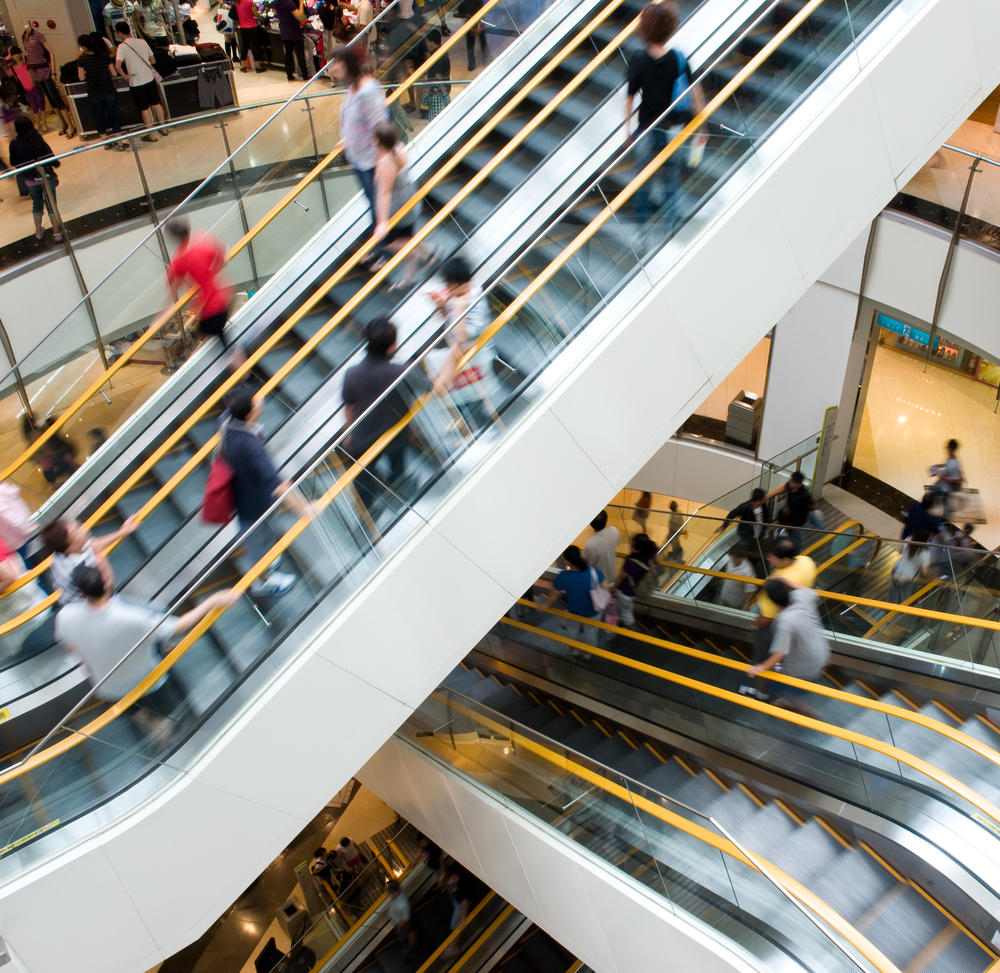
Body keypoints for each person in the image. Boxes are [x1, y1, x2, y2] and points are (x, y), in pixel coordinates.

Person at [54, 564, 238, 711]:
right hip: (147, 681)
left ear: (80, 592)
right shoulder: (134, 618)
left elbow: (71, 649)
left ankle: (152, 726)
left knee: (130, 711)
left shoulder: (65, 616)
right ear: (106, 581)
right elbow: (177, 626)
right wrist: (212, 600)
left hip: (108, 688)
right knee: (167, 709)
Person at [222, 385, 309, 596]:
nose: (261, 400)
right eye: (256, 401)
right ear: (251, 412)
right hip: (252, 504)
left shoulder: (228, 424)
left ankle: (266, 563)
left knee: (263, 535)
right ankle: (262, 580)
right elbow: (277, 483)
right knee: (257, 540)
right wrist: (304, 509)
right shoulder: (249, 446)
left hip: (246, 495)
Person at [624, 2, 704, 226]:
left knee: (643, 186)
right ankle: (669, 229)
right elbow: (696, 94)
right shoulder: (679, 58)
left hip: (647, 132)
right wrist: (701, 125)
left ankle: (642, 235)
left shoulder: (638, 60)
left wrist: (627, 132)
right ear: (670, 27)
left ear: (646, 29)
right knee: (671, 182)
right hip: (672, 132)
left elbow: (629, 98)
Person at [341, 316, 413, 513]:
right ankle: (399, 497)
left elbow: (350, 407)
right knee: (398, 467)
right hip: (394, 434)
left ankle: (368, 512)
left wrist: (349, 433)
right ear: (392, 345)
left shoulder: (352, 373)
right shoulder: (401, 371)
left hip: (364, 438)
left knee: (364, 475)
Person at [740, 538, 815, 700]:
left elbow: (765, 619)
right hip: (798, 627)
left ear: (786, 560)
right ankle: (778, 667)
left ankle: (762, 693)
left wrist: (755, 627)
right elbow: (811, 591)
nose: (769, 559)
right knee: (781, 652)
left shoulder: (773, 595)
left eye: (773, 557)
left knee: (763, 659)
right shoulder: (805, 561)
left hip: (772, 627)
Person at [745, 577, 828, 717]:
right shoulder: (802, 597)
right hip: (822, 654)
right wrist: (786, 581)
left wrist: (759, 668)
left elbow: (780, 652)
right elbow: (812, 592)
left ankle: (812, 714)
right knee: (780, 673)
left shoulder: (785, 621)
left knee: (781, 689)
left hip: (806, 667)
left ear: (775, 603)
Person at [430, 256, 495, 433]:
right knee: (466, 396)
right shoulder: (463, 296)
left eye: (449, 285)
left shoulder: (474, 302)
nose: (447, 290)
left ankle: (483, 432)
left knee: (473, 397)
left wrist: (458, 309)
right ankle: (469, 426)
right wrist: (445, 309)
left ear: (463, 284)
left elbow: (463, 337)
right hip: (463, 357)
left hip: (471, 359)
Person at [165, 218, 241, 361]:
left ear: (174, 237)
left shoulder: (179, 259)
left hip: (211, 308)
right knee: (220, 339)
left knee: (217, 342)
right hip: (224, 295)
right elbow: (224, 258)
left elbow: (173, 286)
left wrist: (162, 314)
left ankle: (243, 375)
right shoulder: (201, 238)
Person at [331, 45, 389, 226]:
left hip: (371, 162)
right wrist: (348, 138)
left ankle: (385, 246)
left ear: (348, 63)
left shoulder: (366, 91)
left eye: (336, 62)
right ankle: (380, 246)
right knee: (372, 203)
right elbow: (357, 119)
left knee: (377, 206)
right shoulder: (353, 87)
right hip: (360, 157)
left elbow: (380, 125)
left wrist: (381, 163)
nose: (332, 68)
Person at [371, 121, 434, 285]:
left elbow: (384, 194)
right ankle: (410, 277)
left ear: (377, 141)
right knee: (407, 237)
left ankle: (425, 252)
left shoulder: (385, 161)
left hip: (399, 206)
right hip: (410, 198)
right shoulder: (398, 148)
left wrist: (382, 222)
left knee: (385, 243)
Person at [40, 514, 138, 603]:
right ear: (71, 547)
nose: (83, 527)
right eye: (77, 530)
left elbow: (92, 545)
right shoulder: (83, 570)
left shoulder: (61, 552)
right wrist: (100, 556)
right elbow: (108, 590)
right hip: (99, 605)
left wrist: (122, 532)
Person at [543, 545, 608, 651]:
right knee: (591, 632)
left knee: (572, 630)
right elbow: (606, 588)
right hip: (594, 611)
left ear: (567, 561)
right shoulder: (594, 572)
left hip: (575, 611)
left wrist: (546, 604)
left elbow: (555, 593)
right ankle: (588, 653)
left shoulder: (564, 576)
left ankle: (572, 650)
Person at [9, 116, 62, 242]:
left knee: (37, 204)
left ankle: (38, 231)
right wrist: (56, 164)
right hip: (45, 177)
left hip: (29, 180)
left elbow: (13, 162)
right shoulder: (38, 140)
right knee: (51, 205)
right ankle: (56, 233)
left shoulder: (14, 144)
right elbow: (51, 158)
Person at [115, 22, 170, 141]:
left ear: (119, 33)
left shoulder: (122, 46)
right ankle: (164, 128)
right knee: (156, 104)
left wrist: (125, 76)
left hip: (136, 81)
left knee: (144, 108)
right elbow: (153, 60)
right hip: (149, 78)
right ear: (129, 30)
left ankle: (152, 135)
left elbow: (117, 66)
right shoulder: (142, 41)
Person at [22, 24, 76, 137]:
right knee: (50, 99)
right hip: (34, 72)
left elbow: (51, 52)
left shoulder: (38, 35)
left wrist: (53, 72)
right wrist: (31, 76)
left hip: (44, 70)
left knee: (55, 97)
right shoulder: (24, 37)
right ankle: (64, 123)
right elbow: (28, 57)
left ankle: (70, 125)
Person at [78, 33, 128, 149]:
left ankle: (105, 142)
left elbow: (81, 78)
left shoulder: (82, 59)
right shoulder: (104, 56)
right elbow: (114, 73)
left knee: (99, 117)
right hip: (108, 89)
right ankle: (120, 143)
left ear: (84, 47)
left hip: (94, 92)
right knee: (113, 116)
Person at [611, 532, 656, 628]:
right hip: (636, 587)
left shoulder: (632, 562)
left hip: (626, 591)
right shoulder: (650, 552)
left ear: (639, 550)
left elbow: (622, 576)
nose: (630, 547)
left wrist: (614, 587)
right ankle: (620, 618)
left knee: (625, 612)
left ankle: (632, 630)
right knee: (625, 607)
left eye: (633, 546)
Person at [7, 46, 46, 132]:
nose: (16, 56)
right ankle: (38, 124)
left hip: (34, 86)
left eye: (17, 54)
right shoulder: (13, 68)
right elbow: (12, 76)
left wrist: (32, 79)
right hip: (26, 89)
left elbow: (30, 73)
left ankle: (44, 124)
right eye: (14, 55)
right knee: (34, 106)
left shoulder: (26, 64)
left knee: (41, 104)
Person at [887, 529, 932, 603]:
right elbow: (925, 572)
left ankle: (890, 605)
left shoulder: (909, 539)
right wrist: (934, 578)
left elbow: (901, 550)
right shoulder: (926, 553)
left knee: (893, 590)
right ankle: (900, 611)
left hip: (897, 569)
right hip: (909, 578)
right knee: (905, 596)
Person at [275, 0, 309, 81]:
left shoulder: (276, 2)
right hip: (294, 31)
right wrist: (301, 3)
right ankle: (305, 75)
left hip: (284, 31)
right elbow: (300, 17)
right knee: (299, 53)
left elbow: (276, 12)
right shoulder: (289, 3)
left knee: (288, 53)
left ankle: (289, 75)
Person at [583, 510, 620, 585]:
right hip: (611, 577)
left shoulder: (590, 545)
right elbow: (618, 542)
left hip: (598, 583)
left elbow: (585, 564)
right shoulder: (614, 531)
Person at [444, 864, 472, 951]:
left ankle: (452, 949)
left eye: (456, 877)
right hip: (455, 898)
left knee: (454, 925)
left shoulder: (465, 884)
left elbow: (464, 903)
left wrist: (462, 918)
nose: (453, 879)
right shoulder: (452, 875)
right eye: (453, 876)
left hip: (460, 903)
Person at [930, 439, 962, 513]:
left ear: (951, 450)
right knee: (933, 491)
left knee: (945, 500)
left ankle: (944, 519)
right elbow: (946, 465)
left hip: (948, 485)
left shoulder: (955, 464)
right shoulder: (950, 458)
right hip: (944, 481)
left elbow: (958, 480)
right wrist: (939, 465)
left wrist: (944, 477)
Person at [234, 0, 266, 72]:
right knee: (255, 46)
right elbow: (256, 14)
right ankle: (258, 67)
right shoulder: (249, 1)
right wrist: (260, 12)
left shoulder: (237, 1)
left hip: (242, 27)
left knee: (245, 46)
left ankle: (243, 66)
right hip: (252, 27)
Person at [456, 0, 486, 70]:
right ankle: (484, 58)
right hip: (478, 23)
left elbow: (461, 10)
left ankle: (471, 64)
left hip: (469, 23)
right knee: (482, 42)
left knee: (470, 45)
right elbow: (481, 8)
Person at [386, 880, 415, 950]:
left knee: (405, 935)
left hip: (402, 923)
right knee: (405, 935)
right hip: (397, 920)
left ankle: (412, 947)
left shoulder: (403, 904)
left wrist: (399, 926)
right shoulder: (394, 896)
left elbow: (405, 917)